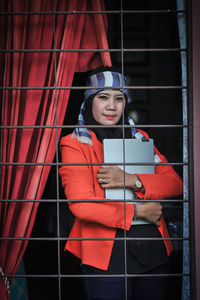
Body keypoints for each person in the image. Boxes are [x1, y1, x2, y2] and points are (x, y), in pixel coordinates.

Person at [59, 66, 183, 300]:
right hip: (106, 262)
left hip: (154, 256)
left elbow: (175, 184)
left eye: (119, 98)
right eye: (103, 97)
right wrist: (138, 211)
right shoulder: (75, 144)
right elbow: (81, 204)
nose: (111, 106)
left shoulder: (141, 138)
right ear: (89, 102)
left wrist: (131, 180)